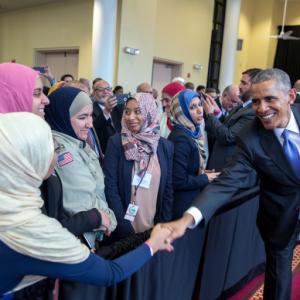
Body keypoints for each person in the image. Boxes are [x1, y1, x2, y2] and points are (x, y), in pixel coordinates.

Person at [0, 112, 174, 297]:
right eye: (52, 147)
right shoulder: (31, 229)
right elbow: (110, 273)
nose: (57, 153)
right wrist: (153, 244)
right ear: (29, 161)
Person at [163, 68, 299, 300]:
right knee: (279, 278)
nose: (262, 109)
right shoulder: (250, 136)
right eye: (256, 101)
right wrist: (187, 219)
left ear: (291, 97)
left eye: (270, 99)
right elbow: (226, 183)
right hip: (280, 217)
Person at [45, 87, 117, 245]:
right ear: (62, 116)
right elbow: (82, 203)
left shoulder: (77, 143)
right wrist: (109, 219)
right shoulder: (63, 152)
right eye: (82, 117)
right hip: (81, 240)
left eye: (91, 115)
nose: (90, 124)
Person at [104, 93, 174, 240]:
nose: (130, 117)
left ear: (149, 112)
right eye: (127, 111)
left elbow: (168, 189)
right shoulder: (116, 143)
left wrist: (162, 225)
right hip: (123, 229)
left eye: (137, 111)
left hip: (154, 229)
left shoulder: (165, 147)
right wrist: (123, 226)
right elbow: (110, 186)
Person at [168, 90, 219, 217]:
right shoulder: (181, 138)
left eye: (200, 104)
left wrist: (202, 172)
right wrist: (205, 178)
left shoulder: (190, 132)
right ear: (182, 111)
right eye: (192, 107)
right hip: (182, 205)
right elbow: (178, 180)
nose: (200, 111)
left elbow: (187, 168)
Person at [92, 79, 123, 153]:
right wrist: (106, 111)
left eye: (108, 89)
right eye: (101, 90)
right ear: (94, 93)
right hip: (104, 152)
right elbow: (94, 129)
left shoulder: (119, 107)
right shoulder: (91, 109)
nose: (105, 92)